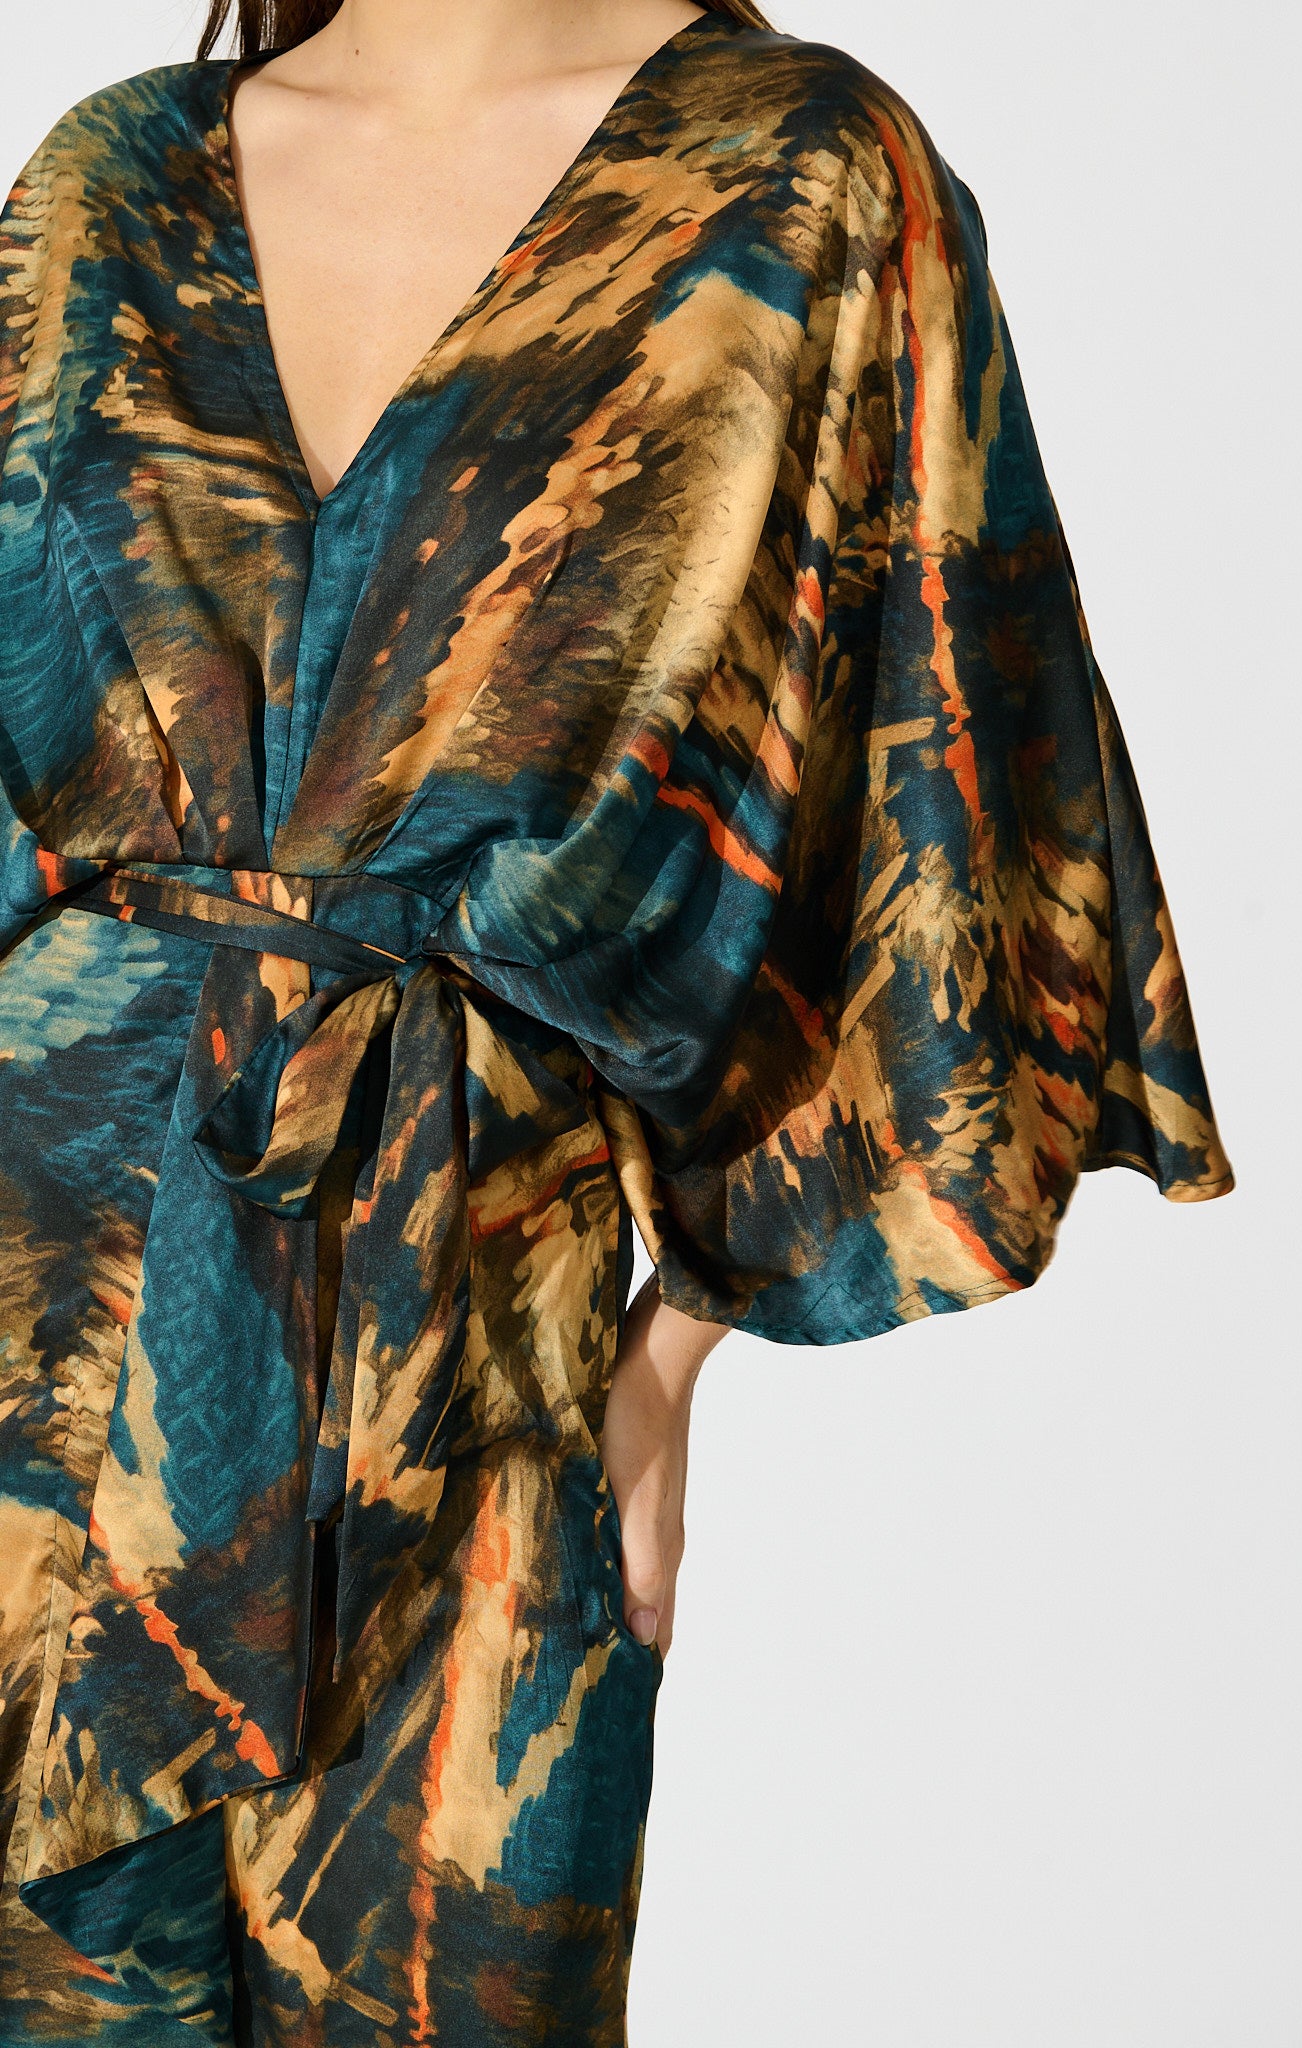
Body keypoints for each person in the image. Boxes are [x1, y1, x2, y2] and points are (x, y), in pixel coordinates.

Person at [0, 0, 1232, 2038]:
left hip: (479, 1322)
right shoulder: (109, 176)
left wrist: (673, 1352)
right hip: (40, 1303)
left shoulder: (803, 181)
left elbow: (940, 794)